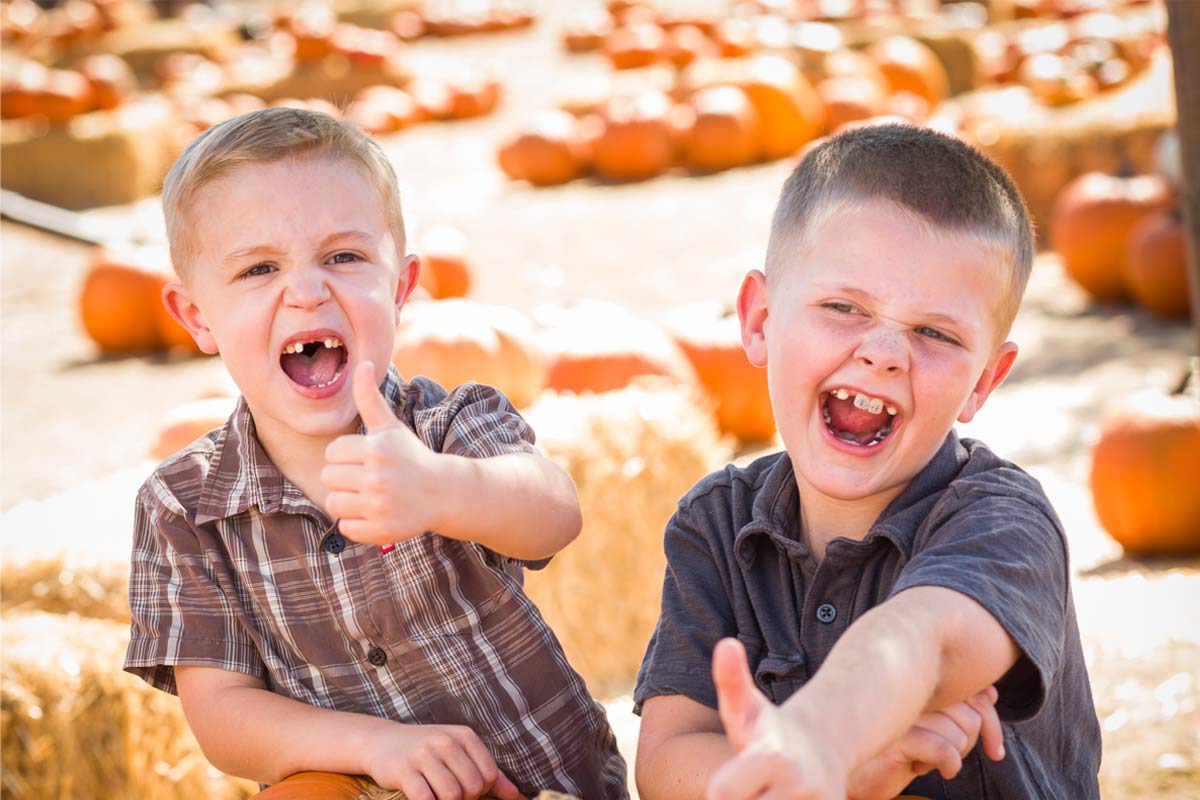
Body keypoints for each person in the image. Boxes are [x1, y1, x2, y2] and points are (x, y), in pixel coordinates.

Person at [123, 106, 627, 800]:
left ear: (400, 287)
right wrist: (373, 745)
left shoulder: (449, 426)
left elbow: (554, 513)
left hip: (547, 783)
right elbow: (221, 715)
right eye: (258, 269)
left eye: (343, 257)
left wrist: (443, 489)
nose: (305, 291)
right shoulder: (182, 509)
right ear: (195, 317)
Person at [634, 123, 1101, 800]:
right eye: (843, 307)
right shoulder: (715, 524)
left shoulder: (1003, 520)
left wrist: (819, 740)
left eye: (934, 333)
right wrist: (837, 777)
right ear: (760, 319)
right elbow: (668, 760)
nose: (883, 352)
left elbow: (923, 638)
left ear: (983, 382)